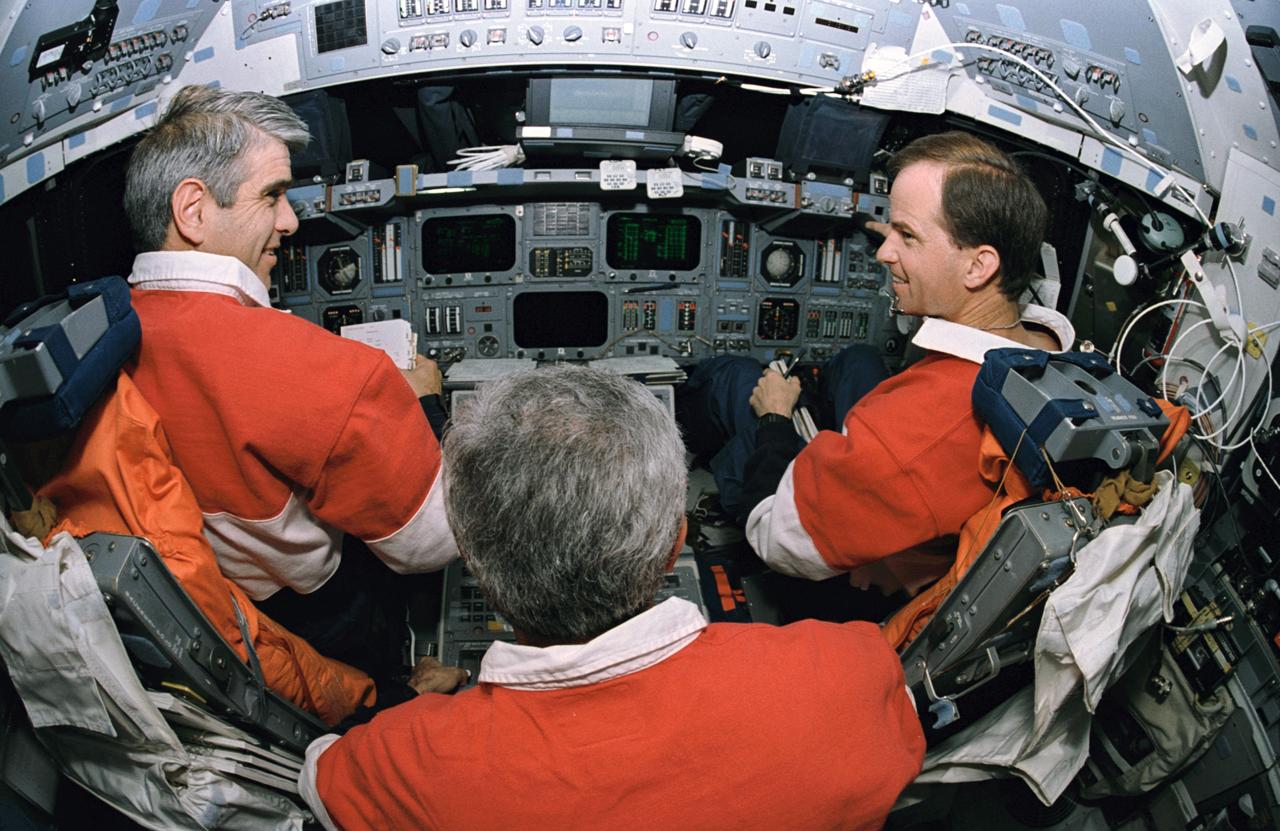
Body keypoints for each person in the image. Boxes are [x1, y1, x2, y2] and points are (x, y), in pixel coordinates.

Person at [299, 365, 924, 830]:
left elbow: (319, 780)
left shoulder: (410, 762)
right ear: (676, 537)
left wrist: (403, 704)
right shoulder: (846, 674)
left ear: (469, 555)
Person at [120, 84, 457, 679]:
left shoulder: (105, 336)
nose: (291, 220)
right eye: (273, 194)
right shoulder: (322, 372)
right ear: (193, 210)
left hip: (213, 612)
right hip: (325, 617)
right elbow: (430, 544)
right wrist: (424, 403)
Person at [681, 130, 1075, 601]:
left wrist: (774, 420)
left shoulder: (913, 435)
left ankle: (683, 432)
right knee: (859, 359)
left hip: (850, 556)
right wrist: (914, 244)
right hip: (915, 501)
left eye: (907, 236)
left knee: (738, 379)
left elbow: (776, 538)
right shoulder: (1055, 348)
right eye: (891, 231)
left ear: (978, 267)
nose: (885, 252)